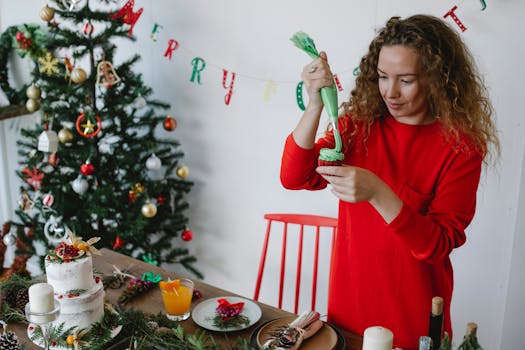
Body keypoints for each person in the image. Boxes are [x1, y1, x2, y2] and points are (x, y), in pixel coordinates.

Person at [280, 14, 500, 349]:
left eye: (406, 80)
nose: (390, 93)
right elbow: (295, 176)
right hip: (349, 307)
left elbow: (439, 243)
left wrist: (378, 191)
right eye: (383, 77)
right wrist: (314, 105)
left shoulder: (461, 147)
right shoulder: (360, 125)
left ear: (437, 79)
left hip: (413, 319)